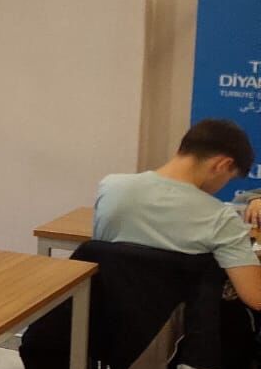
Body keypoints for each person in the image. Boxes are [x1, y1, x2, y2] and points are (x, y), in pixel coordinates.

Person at [94, 118, 261, 309]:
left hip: (99, 311)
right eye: (228, 178)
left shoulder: (111, 187)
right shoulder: (221, 218)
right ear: (222, 165)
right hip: (167, 318)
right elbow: (256, 298)